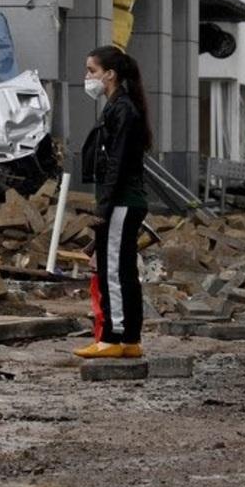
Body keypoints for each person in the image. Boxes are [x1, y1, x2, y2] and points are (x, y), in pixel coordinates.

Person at [76, 45, 150, 360]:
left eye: (92, 71)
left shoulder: (122, 109)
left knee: (113, 271)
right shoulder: (122, 107)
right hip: (124, 200)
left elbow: (116, 163)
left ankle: (113, 338)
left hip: (121, 201)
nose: (87, 77)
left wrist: (103, 208)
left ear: (110, 74)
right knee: (123, 269)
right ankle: (129, 338)